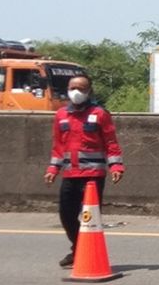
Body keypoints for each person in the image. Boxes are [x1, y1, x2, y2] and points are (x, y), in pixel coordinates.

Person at [44, 75, 124, 267]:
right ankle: (79, 248)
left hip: (93, 176)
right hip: (70, 174)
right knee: (66, 215)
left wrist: (116, 166)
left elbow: (111, 143)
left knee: (90, 217)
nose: (76, 92)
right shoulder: (61, 115)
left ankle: (89, 253)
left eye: (81, 88)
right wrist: (53, 168)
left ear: (89, 91)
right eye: (73, 87)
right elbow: (58, 147)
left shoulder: (100, 114)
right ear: (68, 89)